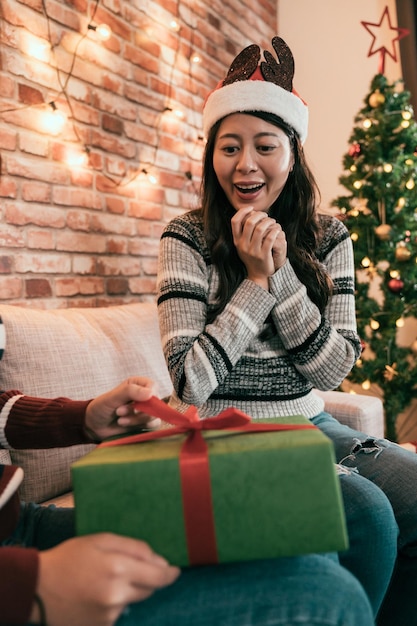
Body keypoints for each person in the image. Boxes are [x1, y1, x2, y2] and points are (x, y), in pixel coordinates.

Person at [157, 35, 417, 625]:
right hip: (222, 432)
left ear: (293, 154)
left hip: (311, 421)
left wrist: (284, 278)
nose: (245, 164)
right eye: (229, 147)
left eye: (264, 146)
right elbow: (191, 383)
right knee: (367, 513)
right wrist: (256, 281)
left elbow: (333, 367)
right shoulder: (186, 238)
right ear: (211, 157)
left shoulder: (331, 238)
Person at [0, 377, 375, 626]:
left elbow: (330, 367)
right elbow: (192, 376)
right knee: (330, 597)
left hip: (17, 520)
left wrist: (82, 418)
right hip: (15, 576)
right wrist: (26, 585)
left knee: (323, 524)